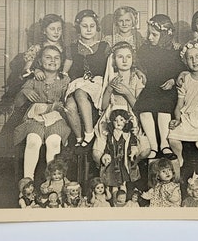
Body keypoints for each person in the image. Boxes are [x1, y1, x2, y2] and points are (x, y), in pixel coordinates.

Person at [13, 45, 71, 180]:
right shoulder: (33, 79)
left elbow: (67, 103)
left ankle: (52, 181)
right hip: (35, 118)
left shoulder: (65, 80)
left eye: (56, 58)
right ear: (39, 61)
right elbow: (18, 104)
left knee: (54, 141)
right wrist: (24, 92)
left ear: (61, 62)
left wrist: (57, 107)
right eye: (48, 57)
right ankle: (28, 180)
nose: (52, 60)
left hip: (56, 119)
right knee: (33, 140)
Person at [134, 14, 186, 159]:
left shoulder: (175, 51)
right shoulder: (145, 49)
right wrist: (138, 71)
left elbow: (181, 69)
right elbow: (137, 64)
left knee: (164, 106)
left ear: (164, 35)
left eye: (154, 35)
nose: (150, 37)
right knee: (144, 107)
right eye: (149, 33)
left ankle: (164, 144)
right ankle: (153, 146)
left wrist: (174, 80)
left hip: (167, 88)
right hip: (150, 85)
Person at [93, 41, 149, 164]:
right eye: (120, 57)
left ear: (133, 59)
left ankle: (130, 167)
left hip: (130, 116)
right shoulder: (111, 77)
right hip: (111, 115)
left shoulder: (136, 78)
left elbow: (138, 107)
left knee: (145, 151)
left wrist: (127, 92)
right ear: (113, 60)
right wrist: (109, 89)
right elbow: (103, 106)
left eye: (128, 57)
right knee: (97, 154)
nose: (124, 60)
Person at [63, 9, 110, 147]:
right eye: (84, 26)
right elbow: (66, 68)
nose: (89, 29)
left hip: (97, 83)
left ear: (97, 27)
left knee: (80, 93)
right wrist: (64, 77)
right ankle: (79, 138)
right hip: (77, 83)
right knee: (69, 106)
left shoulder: (104, 46)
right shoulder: (72, 48)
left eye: (92, 26)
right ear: (78, 28)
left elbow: (111, 68)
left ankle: (89, 133)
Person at [99, 109, 141, 193]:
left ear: (126, 121)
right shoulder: (110, 135)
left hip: (124, 161)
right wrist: (106, 154)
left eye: (121, 120)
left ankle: (123, 193)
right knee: (113, 181)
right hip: (113, 161)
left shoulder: (128, 135)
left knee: (123, 180)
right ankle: (114, 195)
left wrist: (133, 151)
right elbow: (108, 146)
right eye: (115, 120)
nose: (118, 123)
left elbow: (133, 144)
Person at [22, 13, 67, 80]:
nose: (56, 32)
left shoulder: (65, 49)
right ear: (44, 31)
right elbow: (25, 70)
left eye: (59, 29)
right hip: (39, 82)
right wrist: (35, 71)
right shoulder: (36, 48)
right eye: (52, 29)